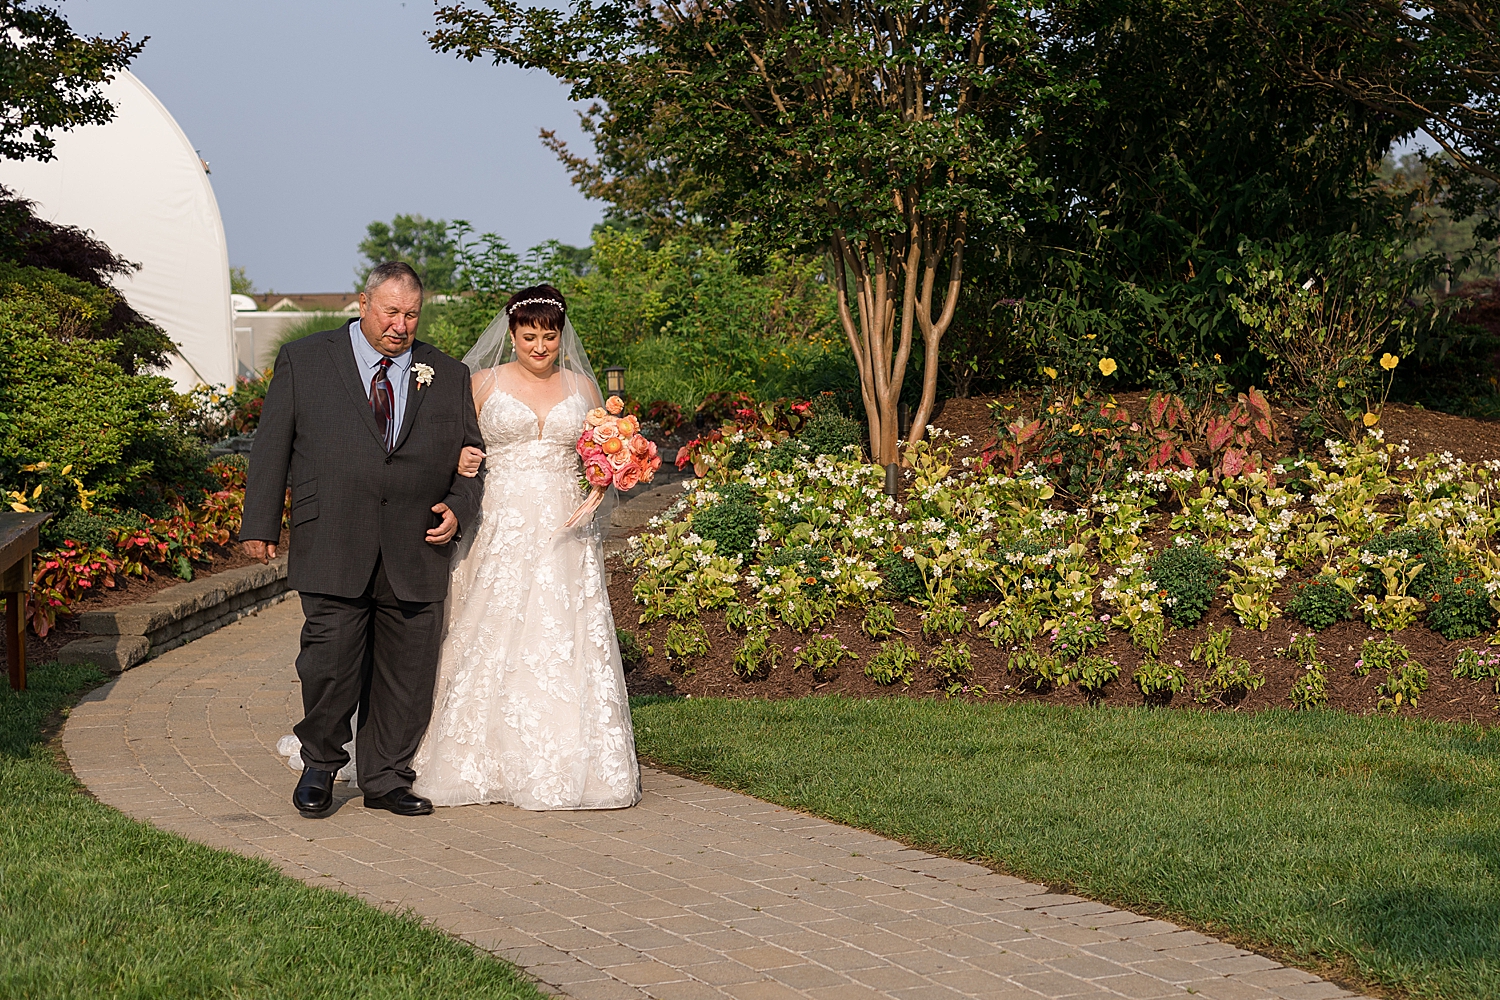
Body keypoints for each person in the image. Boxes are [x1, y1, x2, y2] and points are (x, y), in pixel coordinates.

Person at [241, 262, 485, 818]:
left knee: (407, 673)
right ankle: (321, 766)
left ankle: (386, 779)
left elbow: (473, 460)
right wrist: (259, 525)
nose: (401, 325)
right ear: (363, 303)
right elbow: (272, 447)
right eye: (391, 312)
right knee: (328, 664)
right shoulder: (305, 360)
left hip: (417, 545)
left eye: (412, 314)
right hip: (331, 538)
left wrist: (459, 507)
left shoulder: (445, 373)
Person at [410, 284, 642, 810]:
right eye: (529, 335)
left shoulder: (583, 387)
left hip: (566, 527)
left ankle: (567, 761)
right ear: (511, 334)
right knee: (486, 628)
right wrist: (461, 463)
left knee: (561, 632)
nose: (540, 346)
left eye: (549, 336)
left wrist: (611, 473)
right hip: (498, 522)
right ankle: (469, 755)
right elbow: (445, 443)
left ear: (562, 334)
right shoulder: (481, 383)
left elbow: (595, 454)